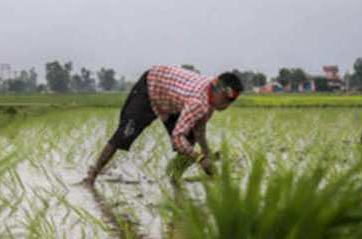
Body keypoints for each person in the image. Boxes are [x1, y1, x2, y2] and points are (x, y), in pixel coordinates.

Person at [81, 65, 243, 186]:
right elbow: (177, 137)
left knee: (191, 139)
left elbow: (199, 129)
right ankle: (92, 176)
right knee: (124, 134)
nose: (227, 105)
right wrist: (201, 159)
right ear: (216, 90)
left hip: (171, 102)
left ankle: (175, 179)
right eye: (225, 100)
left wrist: (207, 155)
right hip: (150, 88)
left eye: (231, 102)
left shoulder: (210, 101)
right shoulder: (197, 102)